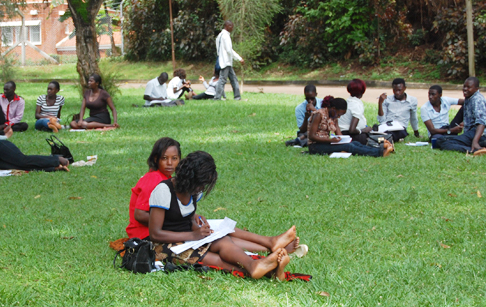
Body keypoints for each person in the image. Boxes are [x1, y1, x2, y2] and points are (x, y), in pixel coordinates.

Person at [127, 138, 305, 258]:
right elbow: (140, 215)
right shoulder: (155, 181)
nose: (170, 163)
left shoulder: (175, 181)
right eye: (165, 158)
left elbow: (177, 207)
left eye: (174, 158)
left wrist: (189, 217)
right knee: (218, 236)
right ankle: (270, 245)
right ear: (155, 159)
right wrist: (179, 220)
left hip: (175, 227)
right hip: (148, 235)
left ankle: (271, 244)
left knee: (220, 228)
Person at [148, 151, 294, 280]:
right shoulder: (163, 191)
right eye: (200, 184)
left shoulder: (193, 191)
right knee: (215, 260)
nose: (201, 189)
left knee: (224, 242)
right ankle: (270, 272)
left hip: (189, 239)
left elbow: (188, 218)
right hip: (164, 247)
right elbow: (155, 234)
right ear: (189, 178)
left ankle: (254, 265)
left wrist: (200, 230)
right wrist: (193, 236)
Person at [306, 96, 392, 157]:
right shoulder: (318, 114)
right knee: (349, 147)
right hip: (316, 146)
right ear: (333, 108)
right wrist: (330, 140)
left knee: (354, 143)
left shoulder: (333, 116)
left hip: (326, 143)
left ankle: (379, 149)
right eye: (339, 114)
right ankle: (379, 153)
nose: (339, 117)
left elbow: (338, 132)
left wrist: (344, 140)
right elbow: (312, 136)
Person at [437, 77, 486, 155]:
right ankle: (479, 148)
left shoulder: (478, 100)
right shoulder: (469, 98)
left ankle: (475, 149)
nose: (465, 89)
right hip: (472, 133)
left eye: (468, 87)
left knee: (444, 143)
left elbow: (481, 123)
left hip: (483, 136)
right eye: (464, 86)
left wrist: (475, 142)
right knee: (441, 140)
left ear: (476, 89)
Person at [214, 20, 244, 101]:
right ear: (226, 26)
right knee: (222, 79)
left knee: (233, 79)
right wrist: (239, 58)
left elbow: (218, 50)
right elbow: (229, 50)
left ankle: (237, 96)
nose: (232, 28)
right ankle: (217, 97)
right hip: (226, 62)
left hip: (223, 61)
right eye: (230, 26)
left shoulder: (219, 36)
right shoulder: (225, 36)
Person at [338, 79, 370, 144]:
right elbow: (352, 130)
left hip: (342, 134)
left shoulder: (349, 101)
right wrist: (362, 130)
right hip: (350, 135)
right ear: (363, 90)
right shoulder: (355, 105)